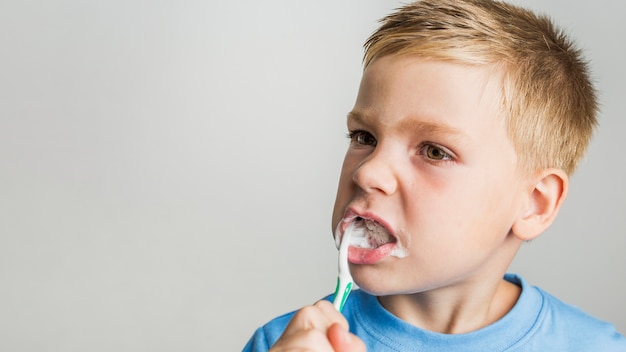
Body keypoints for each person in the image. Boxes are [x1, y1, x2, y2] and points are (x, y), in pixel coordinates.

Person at [243, 0, 626, 350]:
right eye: (365, 137)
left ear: (533, 204)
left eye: (434, 151)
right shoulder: (284, 344)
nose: (368, 171)